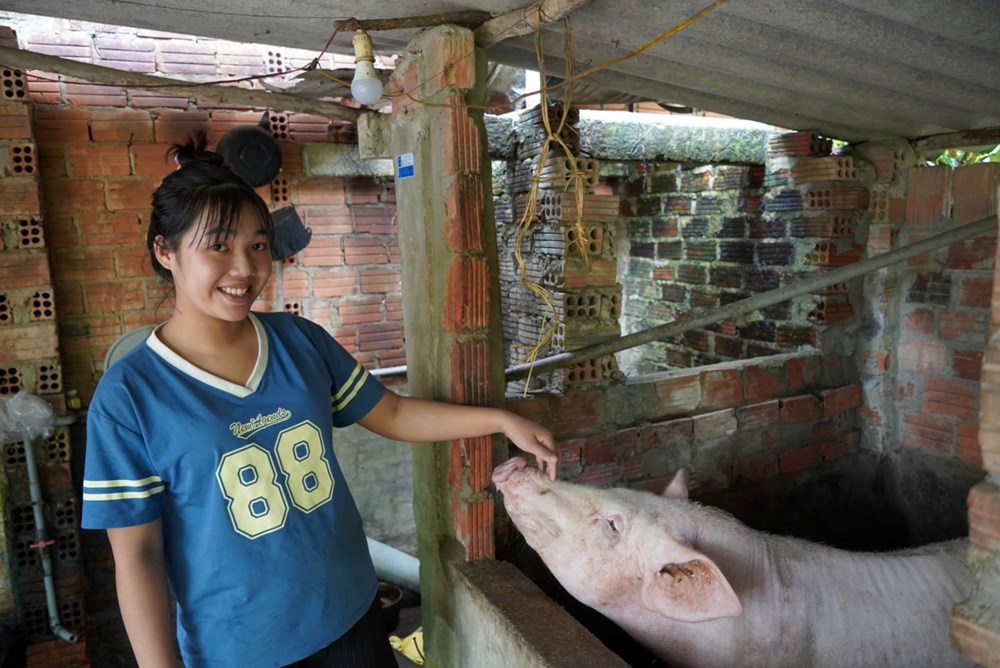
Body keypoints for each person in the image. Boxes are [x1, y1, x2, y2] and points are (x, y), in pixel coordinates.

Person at [80, 132, 560, 668]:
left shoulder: (299, 342)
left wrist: (499, 419)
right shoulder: (129, 397)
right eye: (218, 246)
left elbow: (394, 413)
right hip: (240, 649)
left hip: (351, 617)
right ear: (164, 251)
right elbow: (138, 556)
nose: (244, 268)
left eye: (257, 245)